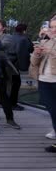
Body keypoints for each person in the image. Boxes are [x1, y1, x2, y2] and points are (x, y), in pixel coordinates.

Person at [30, 16, 56, 152]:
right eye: (51, 27)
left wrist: (50, 52)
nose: (53, 30)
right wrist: (36, 53)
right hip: (44, 80)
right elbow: (34, 63)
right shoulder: (47, 42)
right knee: (51, 109)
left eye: (55, 27)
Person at [0, 19, 21, 129]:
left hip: (3, 69)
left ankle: (10, 118)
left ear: (3, 28)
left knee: (2, 94)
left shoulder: (7, 37)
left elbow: (0, 47)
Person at [10, 24, 34, 111]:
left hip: (8, 64)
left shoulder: (11, 37)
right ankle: (13, 104)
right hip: (15, 65)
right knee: (16, 84)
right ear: (24, 30)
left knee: (10, 84)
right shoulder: (24, 39)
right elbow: (30, 49)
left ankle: (6, 102)